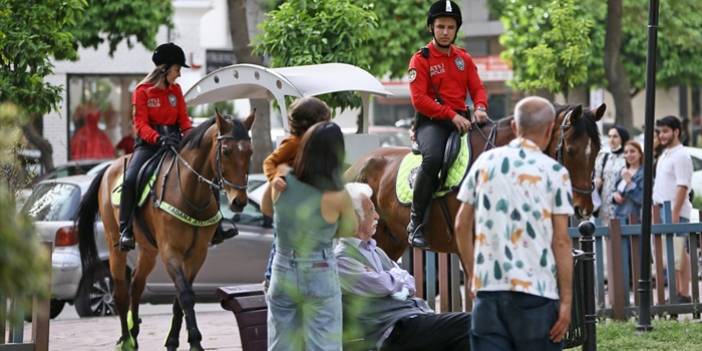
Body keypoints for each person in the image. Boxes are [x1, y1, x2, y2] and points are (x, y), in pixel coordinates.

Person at [455, 96, 573, 350]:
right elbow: (561, 241)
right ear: (551, 127)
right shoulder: (555, 173)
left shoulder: (484, 163)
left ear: (516, 127)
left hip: (488, 292)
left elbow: (461, 224)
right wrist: (566, 301)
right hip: (538, 294)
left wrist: (472, 272)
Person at [337, 182, 471, 351]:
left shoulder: (376, 251)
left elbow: (409, 282)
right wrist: (393, 280)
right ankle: (417, 220)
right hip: (394, 331)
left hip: (414, 319)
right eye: (371, 210)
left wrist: (390, 280)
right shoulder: (342, 259)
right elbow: (382, 285)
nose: (377, 216)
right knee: (472, 324)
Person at [267, 121, 358, 351]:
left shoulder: (282, 177)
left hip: (283, 267)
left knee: (282, 344)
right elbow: (351, 229)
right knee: (324, 344)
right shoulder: (338, 195)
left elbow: (268, 209)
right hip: (320, 269)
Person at [407, 0, 489, 248]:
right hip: (432, 123)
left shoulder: (463, 57)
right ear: (431, 28)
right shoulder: (420, 59)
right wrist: (451, 116)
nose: (445, 31)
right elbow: (419, 100)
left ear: (456, 30)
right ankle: (416, 222)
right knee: (432, 160)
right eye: (440, 26)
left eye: (450, 27)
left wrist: (481, 108)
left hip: (463, 119)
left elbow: (477, 88)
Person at [118, 42, 193, 251]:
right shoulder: (142, 91)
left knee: (201, 168)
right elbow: (140, 124)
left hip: (175, 144)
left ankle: (217, 225)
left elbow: (184, 121)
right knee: (131, 179)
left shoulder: (176, 91)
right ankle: (125, 230)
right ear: (165, 68)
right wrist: (158, 138)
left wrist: (190, 138)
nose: (179, 74)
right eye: (177, 69)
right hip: (149, 146)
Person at [262, 97, 332, 286]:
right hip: (288, 197)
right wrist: (275, 178)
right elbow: (269, 162)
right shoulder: (293, 143)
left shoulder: (318, 145)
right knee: (281, 241)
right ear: (309, 125)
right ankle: (270, 277)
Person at [652, 115, 694, 302]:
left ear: (676, 132)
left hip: (675, 209)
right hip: (661, 208)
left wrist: (675, 212)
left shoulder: (681, 155)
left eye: (665, 131)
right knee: (671, 253)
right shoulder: (665, 154)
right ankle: (676, 292)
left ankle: (683, 293)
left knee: (678, 251)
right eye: (660, 131)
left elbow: (682, 185)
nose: (661, 135)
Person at [593, 125, 630, 223]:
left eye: (615, 136)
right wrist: (596, 183)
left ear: (622, 138)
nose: (611, 140)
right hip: (603, 206)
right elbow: (596, 177)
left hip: (621, 206)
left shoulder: (629, 157)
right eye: (609, 136)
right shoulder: (604, 157)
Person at [612, 141, 644, 221]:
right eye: (626, 152)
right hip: (619, 217)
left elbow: (642, 199)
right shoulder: (622, 171)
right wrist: (615, 195)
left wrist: (629, 183)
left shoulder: (644, 173)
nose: (629, 155)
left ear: (640, 154)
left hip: (635, 220)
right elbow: (615, 191)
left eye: (632, 151)